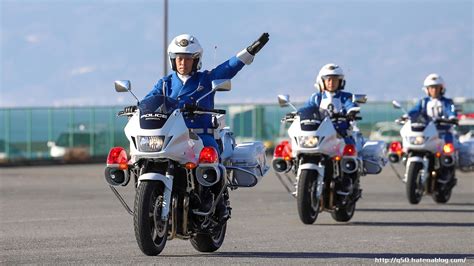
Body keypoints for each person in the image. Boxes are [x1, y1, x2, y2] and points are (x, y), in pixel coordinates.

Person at [136, 32, 269, 221]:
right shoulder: (165, 83)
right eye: (179, 58)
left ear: (196, 60)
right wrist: (137, 107)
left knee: (210, 157)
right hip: (174, 135)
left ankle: (217, 202)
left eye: (188, 59)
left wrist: (249, 51)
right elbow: (149, 100)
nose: (183, 63)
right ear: (173, 60)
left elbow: (229, 67)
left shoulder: (206, 80)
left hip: (201, 135)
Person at [303, 63, 360, 145]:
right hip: (318, 133)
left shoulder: (345, 97)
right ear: (322, 81)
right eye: (328, 79)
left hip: (340, 133)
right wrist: (297, 115)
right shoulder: (316, 97)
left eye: (335, 80)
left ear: (340, 82)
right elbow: (307, 109)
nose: (331, 82)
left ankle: (349, 158)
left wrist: (352, 112)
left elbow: (350, 105)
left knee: (349, 148)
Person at [408, 73, 458, 144]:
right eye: (431, 87)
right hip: (426, 133)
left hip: (444, 133)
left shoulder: (447, 102)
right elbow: (415, 111)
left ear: (441, 88)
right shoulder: (423, 102)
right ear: (427, 89)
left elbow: (451, 111)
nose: (434, 90)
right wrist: (407, 116)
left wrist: (452, 117)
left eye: (436, 87)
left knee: (449, 148)